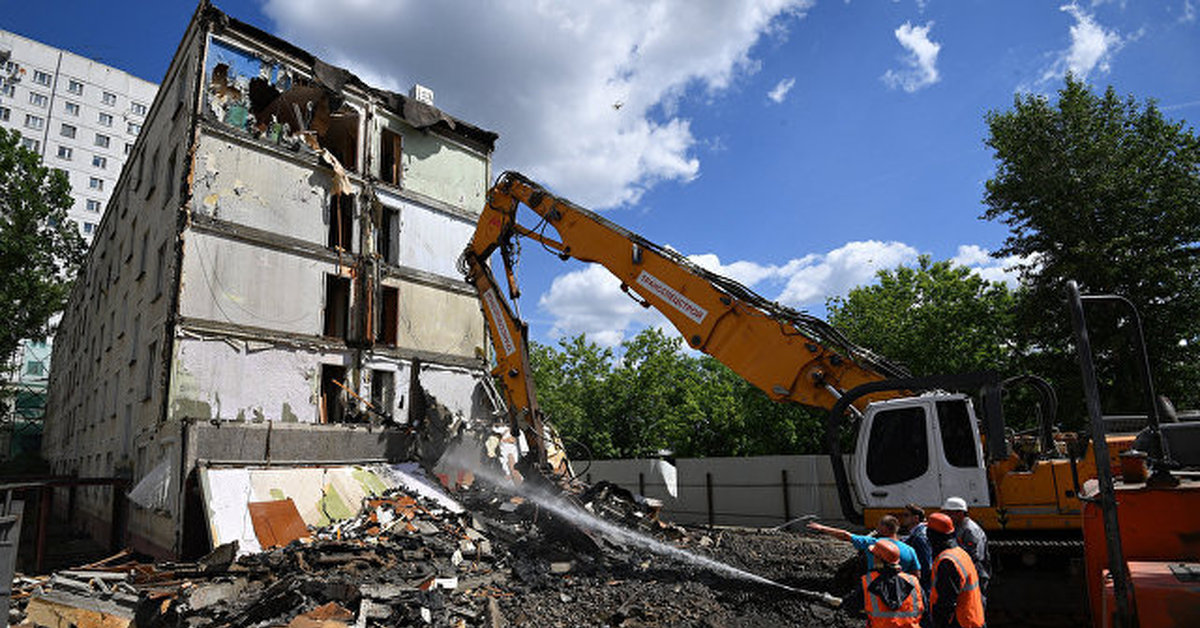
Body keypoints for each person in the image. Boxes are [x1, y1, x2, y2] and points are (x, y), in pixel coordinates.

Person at [807, 515, 921, 577]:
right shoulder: (910, 550)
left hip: (877, 593)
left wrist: (822, 528)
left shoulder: (873, 543)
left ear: (884, 528)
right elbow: (916, 575)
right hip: (903, 602)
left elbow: (845, 535)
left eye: (879, 525)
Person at [926, 513, 985, 628]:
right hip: (972, 619)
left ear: (932, 536)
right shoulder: (960, 553)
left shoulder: (947, 561)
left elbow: (946, 602)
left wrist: (939, 623)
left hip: (960, 622)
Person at [861, 539, 925, 627]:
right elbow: (924, 606)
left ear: (878, 559)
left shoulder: (868, 581)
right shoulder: (913, 580)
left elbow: (854, 606)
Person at [941, 497, 990, 604]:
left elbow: (975, 556)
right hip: (967, 574)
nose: (947, 516)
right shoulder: (959, 527)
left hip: (974, 574)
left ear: (960, 513)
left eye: (949, 513)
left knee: (975, 605)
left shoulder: (970, 530)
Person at [899, 503, 933, 592]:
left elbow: (925, 564)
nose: (903, 518)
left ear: (916, 518)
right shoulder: (919, 532)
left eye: (906, 515)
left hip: (924, 584)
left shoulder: (919, 537)